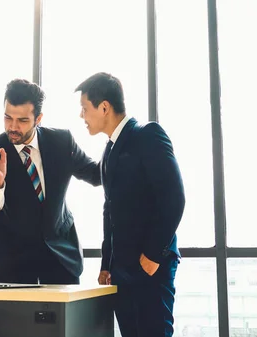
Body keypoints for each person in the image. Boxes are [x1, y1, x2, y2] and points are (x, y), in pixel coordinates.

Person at [76, 72, 186, 336]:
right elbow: (109, 210)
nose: (82, 116)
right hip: (122, 271)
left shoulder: (147, 135)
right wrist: (106, 264)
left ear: (104, 107)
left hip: (151, 267)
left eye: (84, 108)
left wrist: (152, 255)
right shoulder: (109, 150)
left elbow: (173, 197)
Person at [0, 78, 101, 285]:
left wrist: (115, 135)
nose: (13, 127)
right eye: (8, 118)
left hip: (63, 263)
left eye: (22, 120)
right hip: (14, 271)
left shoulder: (62, 142)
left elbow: (96, 175)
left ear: (38, 118)